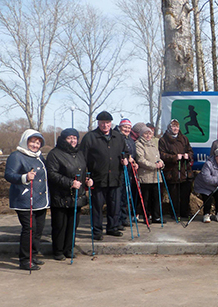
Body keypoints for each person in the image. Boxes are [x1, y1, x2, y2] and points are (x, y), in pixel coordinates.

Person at [4, 130, 50, 270]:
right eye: (32, 142)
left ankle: (33, 255)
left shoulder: (39, 156)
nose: (35, 145)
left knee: (38, 230)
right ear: (25, 141)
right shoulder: (16, 156)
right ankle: (25, 260)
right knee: (29, 229)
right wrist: (24, 177)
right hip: (24, 199)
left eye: (38, 143)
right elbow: (9, 175)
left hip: (40, 199)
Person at [80, 111, 129, 240]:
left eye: (107, 123)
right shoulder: (90, 137)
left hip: (115, 177)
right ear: (98, 123)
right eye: (102, 123)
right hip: (97, 178)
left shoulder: (118, 137)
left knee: (114, 205)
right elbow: (82, 158)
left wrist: (125, 158)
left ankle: (113, 227)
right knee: (97, 207)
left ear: (111, 123)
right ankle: (97, 230)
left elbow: (125, 151)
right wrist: (86, 176)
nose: (105, 125)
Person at [46, 129, 93, 261]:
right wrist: (69, 183)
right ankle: (58, 250)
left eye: (75, 138)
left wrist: (86, 180)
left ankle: (69, 248)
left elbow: (82, 170)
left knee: (73, 224)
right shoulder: (54, 154)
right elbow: (52, 174)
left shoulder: (79, 153)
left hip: (76, 195)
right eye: (69, 138)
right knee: (60, 225)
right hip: (61, 196)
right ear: (63, 139)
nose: (72, 141)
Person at [158, 119, 194, 219]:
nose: (175, 128)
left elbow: (190, 151)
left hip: (184, 170)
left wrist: (188, 155)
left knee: (185, 194)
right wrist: (174, 157)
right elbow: (161, 154)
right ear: (169, 128)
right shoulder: (163, 140)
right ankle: (175, 213)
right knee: (174, 195)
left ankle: (185, 212)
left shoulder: (184, 138)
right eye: (173, 126)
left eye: (177, 126)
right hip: (172, 171)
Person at [134, 122, 165, 224]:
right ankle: (146, 216)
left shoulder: (153, 144)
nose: (148, 136)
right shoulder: (139, 144)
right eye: (146, 133)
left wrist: (161, 163)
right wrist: (153, 165)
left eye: (150, 133)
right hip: (145, 175)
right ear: (141, 134)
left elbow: (158, 157)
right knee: (146, 198)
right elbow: (141, 160)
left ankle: (156, 216)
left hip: (156, 176)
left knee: (156, 197)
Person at [194, 147, 218, 223]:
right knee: (207, 198)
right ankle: (206, 214)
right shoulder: (208, 164)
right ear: (216, 157)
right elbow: (207, 179)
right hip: (205, 186)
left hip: (217, 186)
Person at [118, 118, 138, 228]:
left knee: (125, 196)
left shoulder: (130, 139)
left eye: (129, 128)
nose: (127, 129)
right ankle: (118, 219)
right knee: (119, 197)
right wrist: (125, 157)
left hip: (129, 170)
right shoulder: (117, 137)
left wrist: (134, 162)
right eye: (125, 127)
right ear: (120, 127)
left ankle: (123, 217)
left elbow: (133, 153)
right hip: (119, 170)